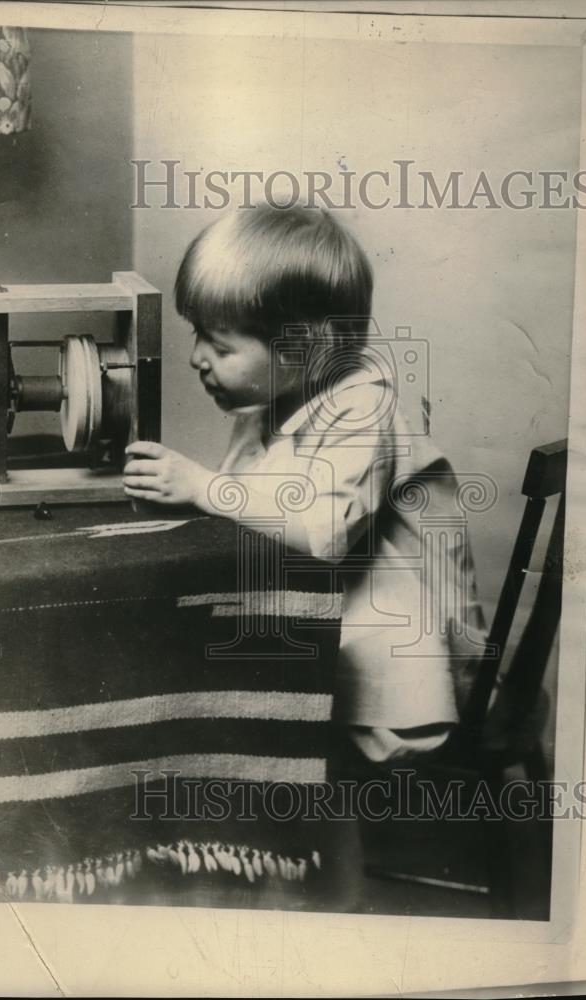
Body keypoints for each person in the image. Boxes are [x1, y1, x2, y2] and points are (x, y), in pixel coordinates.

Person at [124, 204, 486, 763]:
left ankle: (282, 835)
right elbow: (256, 508)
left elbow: (323, 534)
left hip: (400, 685)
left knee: (209, 707)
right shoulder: (271, 403)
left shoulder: (363, 413)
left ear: (305, 350)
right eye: (199, 335)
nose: (197, 357)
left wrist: (202, 488)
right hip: (331, 631)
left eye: (220, 347)